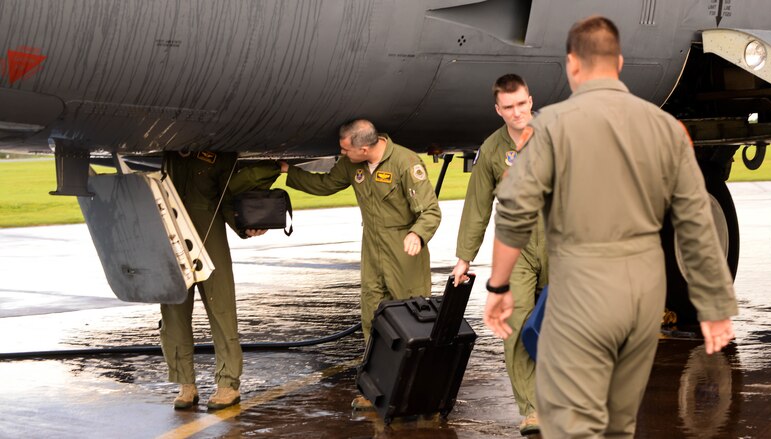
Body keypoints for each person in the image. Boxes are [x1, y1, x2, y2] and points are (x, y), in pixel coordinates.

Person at [483, 16, 738, 437]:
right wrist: (713, 306)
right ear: (619, 63)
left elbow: (514, 213)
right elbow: (694, 222)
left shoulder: (548, 130)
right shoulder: (667, 128)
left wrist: (499, 288)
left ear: (572, 66)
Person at [279, 119, 441, 409]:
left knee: (410, 316)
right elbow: (326, 184)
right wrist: (289, 172)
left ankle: (412, 391)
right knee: (373, 316)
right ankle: (374, 388)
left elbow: (430, 211)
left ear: (364, 148)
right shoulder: (353, 164)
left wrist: (417, 234)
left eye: (345, 150)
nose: (342, 154)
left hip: (404, 248)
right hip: (372, 246)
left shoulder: (405, 163)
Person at [451, 73, 547, 435]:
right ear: (498, 109)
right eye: (509, 107)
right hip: (516, 248)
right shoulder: (492, 149)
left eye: (522, 104)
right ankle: (532, 409)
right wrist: (464, 257)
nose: (518, 112)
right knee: (517, 324)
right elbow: (477, 206)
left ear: (530, 99)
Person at [161, 151, 280, 410]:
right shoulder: (169, 152)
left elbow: (227, 200)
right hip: (172, 237)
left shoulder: (219, 154)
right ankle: (186, 384)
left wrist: (244, 227)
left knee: (222, 310)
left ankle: (228, 384)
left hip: (209, 236)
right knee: (174, 312)